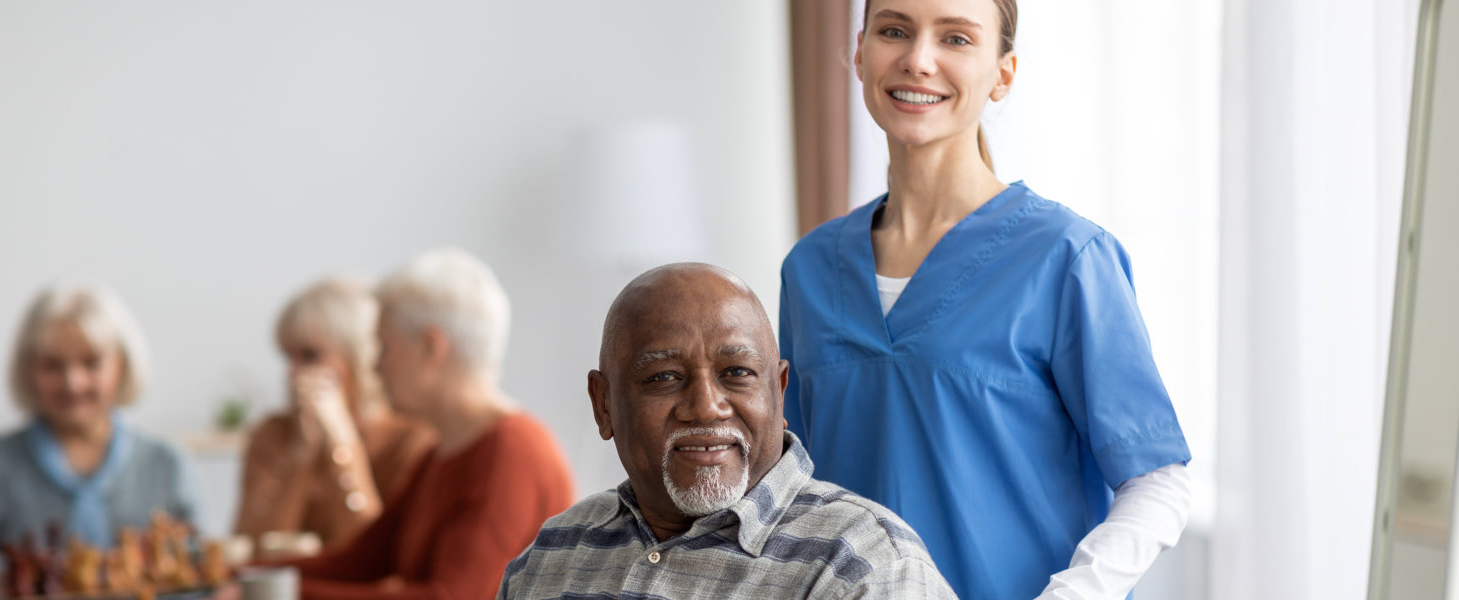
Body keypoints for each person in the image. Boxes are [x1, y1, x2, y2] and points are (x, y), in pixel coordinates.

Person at [777, 0, 1194, 597]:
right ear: (861, 53)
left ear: (1003, 74)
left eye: (955, 39)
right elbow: (794, 486)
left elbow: (1156, 479)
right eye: (895, 31)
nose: (918, 60)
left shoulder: (1066, 258)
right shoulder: (810, 269)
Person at [501, 263, 955, 600]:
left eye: (736, 372)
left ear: (778, 394)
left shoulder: (863, 563)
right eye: (664, 377)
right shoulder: (551, 554)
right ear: (604, 405)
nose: (705, 406)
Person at [280, 248, 574, 599]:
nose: (375, 367)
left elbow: (451, 596)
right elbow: (359, 562)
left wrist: (266, 593)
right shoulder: (440, 453)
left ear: (431, 347)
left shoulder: (514, 449)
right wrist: (235, 577)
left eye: (384, 348)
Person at [0, 283, 197, 568]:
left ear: (121, 366)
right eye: (52, 365)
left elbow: (203, 567)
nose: (73, 383)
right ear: (29, 369)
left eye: (91, 363)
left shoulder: (168, 464)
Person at [234, 277, 436, 558]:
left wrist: (342, 444)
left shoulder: (411, 439)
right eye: (287, 357)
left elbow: (376, 557)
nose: (292, 373)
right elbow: (252, 552)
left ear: (360, 357)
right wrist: (300, 456)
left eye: (310, 355)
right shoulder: (272, 434)